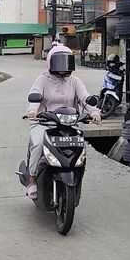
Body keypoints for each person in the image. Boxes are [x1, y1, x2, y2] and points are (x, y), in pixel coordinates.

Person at [21, 45, 94, 199]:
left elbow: (85, 98)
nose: (63, 67)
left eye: (66, 62)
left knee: (79, 147)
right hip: (44, 123)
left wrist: (94, 112)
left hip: (68, 124)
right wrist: (32, 111)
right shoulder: (42, 79)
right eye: (59, 62)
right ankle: (32, 179)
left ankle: (76, 174)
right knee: (38, 144)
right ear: (51, 62)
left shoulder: (74, 81)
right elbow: (35, 95)